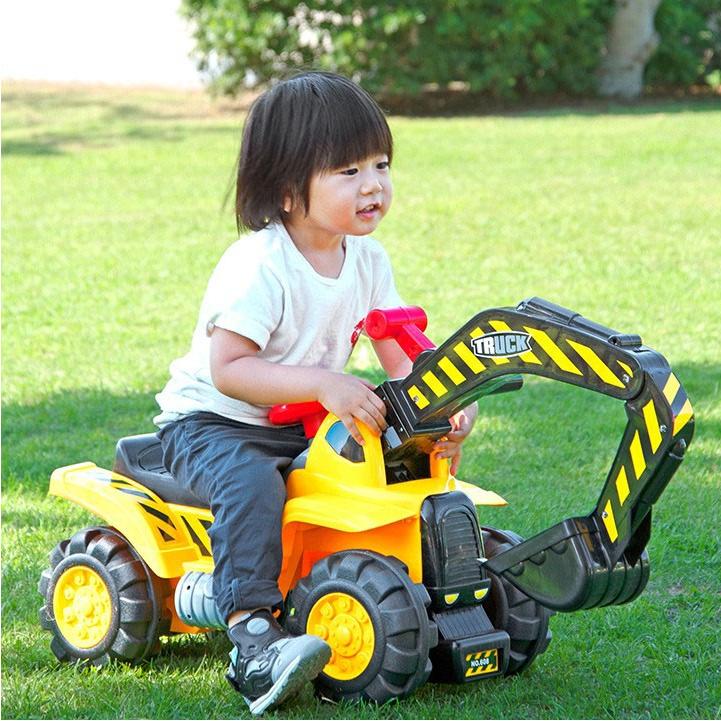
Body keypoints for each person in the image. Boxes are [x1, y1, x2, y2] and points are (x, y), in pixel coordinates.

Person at [154, 71, 477, 714]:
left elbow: (400, 354)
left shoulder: (368, 260)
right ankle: (252, 634)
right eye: (348, 170)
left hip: (299, 419)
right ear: (285, 189)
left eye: (381, 164)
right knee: (253, 485)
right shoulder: (259, 265)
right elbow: (230, 369)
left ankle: (414, 588)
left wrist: (442, 407)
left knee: (386, 465)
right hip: (215, 423)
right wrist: (325, 382)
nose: (373, 184)